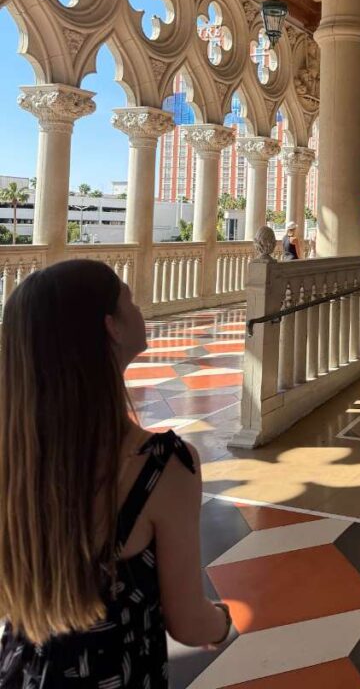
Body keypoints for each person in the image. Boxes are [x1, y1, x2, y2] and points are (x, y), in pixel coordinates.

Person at [0, 260, 231, 688]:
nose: (140, 308)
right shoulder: (162, 466)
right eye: (131, 299)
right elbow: (188, 624)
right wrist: (222, 622)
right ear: (112, 328)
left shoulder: (13, 457)